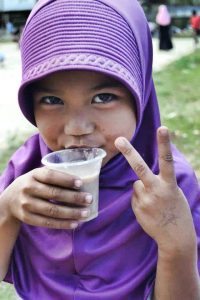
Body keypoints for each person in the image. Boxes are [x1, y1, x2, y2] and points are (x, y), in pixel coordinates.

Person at [0, 1, 200, 299]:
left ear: (140, 95)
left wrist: (177, 246)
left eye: (103, 97)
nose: (77, 127)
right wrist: (7, 211)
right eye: (53, 100)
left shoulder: (169, 187)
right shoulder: (25, 171)